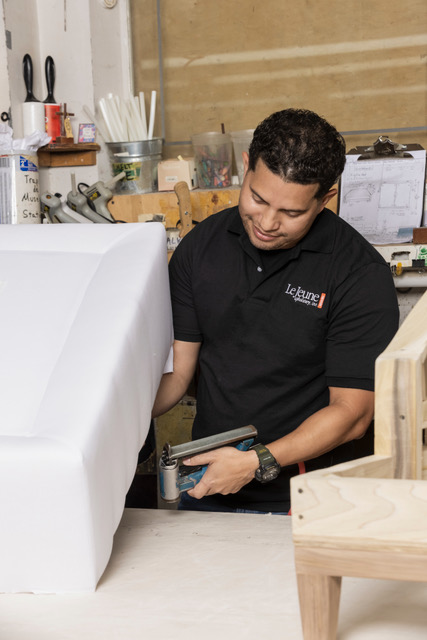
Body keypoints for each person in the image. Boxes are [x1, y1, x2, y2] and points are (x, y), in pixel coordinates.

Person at [153, 108, 399, 514]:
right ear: (246, 166)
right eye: (257, 198)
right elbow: (179, 376)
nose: (267, 222)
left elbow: (352, 414)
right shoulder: (200, 249)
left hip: (310, 498)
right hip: (207, 485)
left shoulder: (358, 273)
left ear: (325, 198)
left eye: (291, 212)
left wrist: (257, 460)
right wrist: (111, 417)